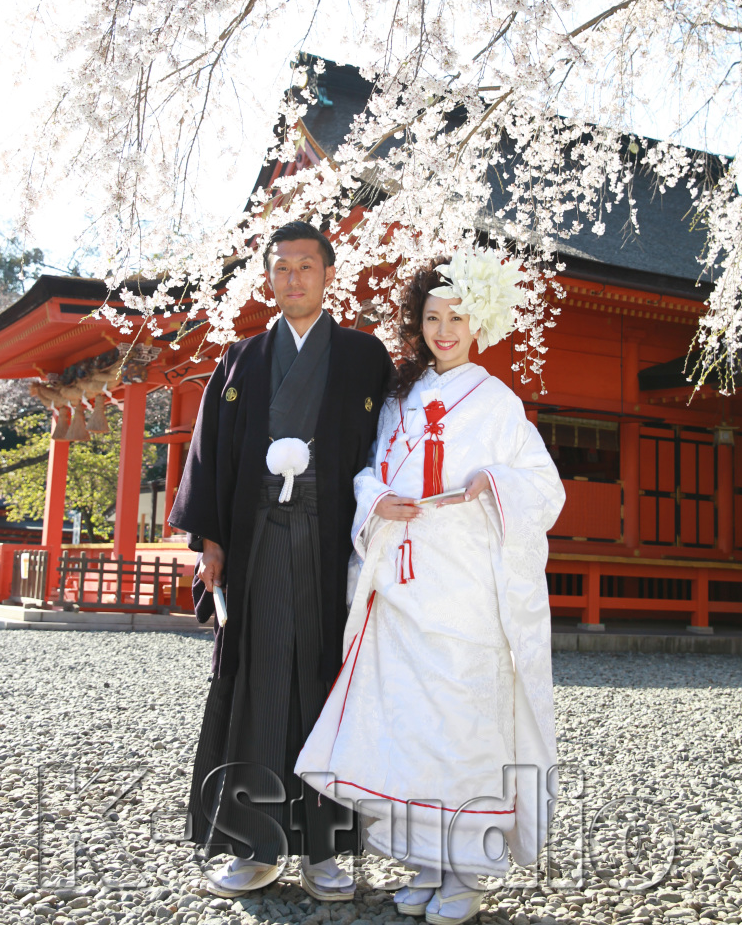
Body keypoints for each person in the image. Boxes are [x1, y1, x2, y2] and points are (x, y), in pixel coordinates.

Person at [296, 249, 565, 925]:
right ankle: (425, 860)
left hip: (466, 586)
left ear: (480, 325)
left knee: (462, 722)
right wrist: (377, 497)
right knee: (410, 724)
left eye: (457, 318)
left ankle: (467, 871)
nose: (444, 330)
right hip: (405, 581)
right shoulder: (401, 397)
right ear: (418, 324)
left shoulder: (498, 402)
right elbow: (369, 472)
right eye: (432, 317)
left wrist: (493, 484)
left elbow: (543, 486)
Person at [169, 221, 394, 900]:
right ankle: (258, 845)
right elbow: (207, 459)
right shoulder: (240, 361)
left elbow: (394, 442)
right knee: (262, 681)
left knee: (328, 681)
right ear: (268, 277)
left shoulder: (362, 356)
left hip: (333, 540)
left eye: (306, 266)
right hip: (260, 536)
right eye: (281, 268)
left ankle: (326, 851)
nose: (293, 278)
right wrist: (209, 540)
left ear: (329, 275)